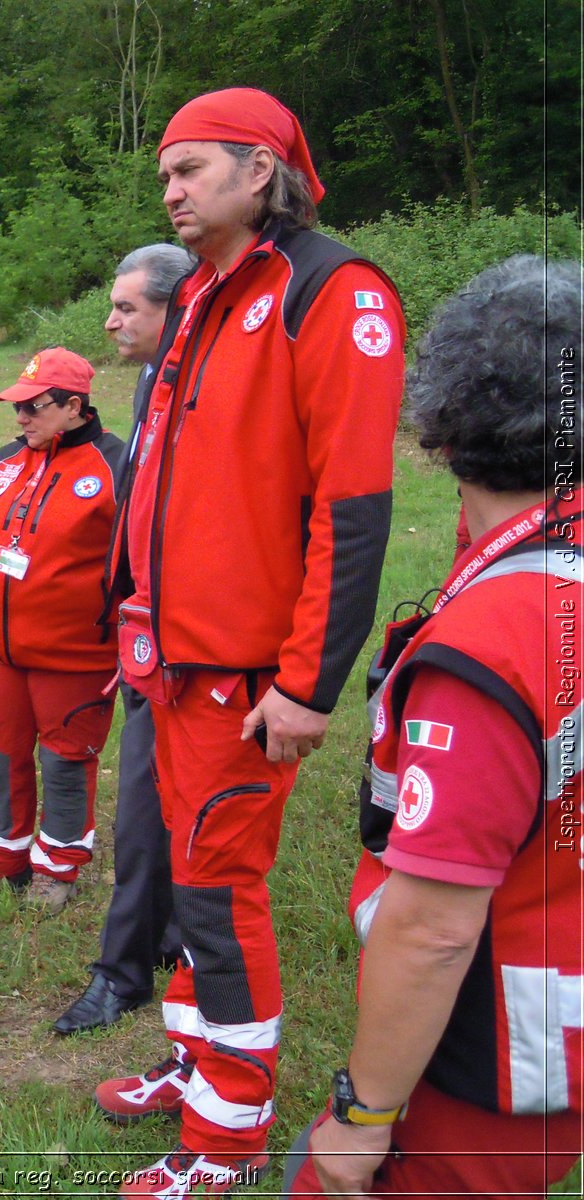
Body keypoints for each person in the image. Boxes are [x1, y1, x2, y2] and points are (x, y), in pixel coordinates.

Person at [97, 88, 405, 1197]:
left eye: (190, 170)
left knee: (221, 894)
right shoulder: (204, 295)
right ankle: (195, 1059)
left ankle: (225, 1140)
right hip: (168, 664)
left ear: (259, 171)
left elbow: (353, 506)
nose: (169, 190)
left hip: (245, 681)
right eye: (165, 174)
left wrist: (310, 683)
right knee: (189, 879)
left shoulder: (331, 291)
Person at [285, 256, 582, 1199]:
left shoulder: (495, 644)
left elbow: (432, 931)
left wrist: (362, 1117)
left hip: (501, 1049)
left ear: (439, 424)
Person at [55, 243, 195, 1036]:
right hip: (147, 626)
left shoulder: (209, 385)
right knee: (157, 800)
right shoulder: (151, 381)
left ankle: (124, 972)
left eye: (126, 308)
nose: (109, 321)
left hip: (195, 636)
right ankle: (167, 937)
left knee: (146, 809)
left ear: (175, 309)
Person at [0, 348, 123, 913]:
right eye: (16, 406)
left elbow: (141, 561)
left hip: (76, 656)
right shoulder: (6, 460)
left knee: (65, 761)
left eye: (32, 407)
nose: (19, 418)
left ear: (74, 407)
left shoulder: (118, 464)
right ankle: (3, 860)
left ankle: (58, 868)